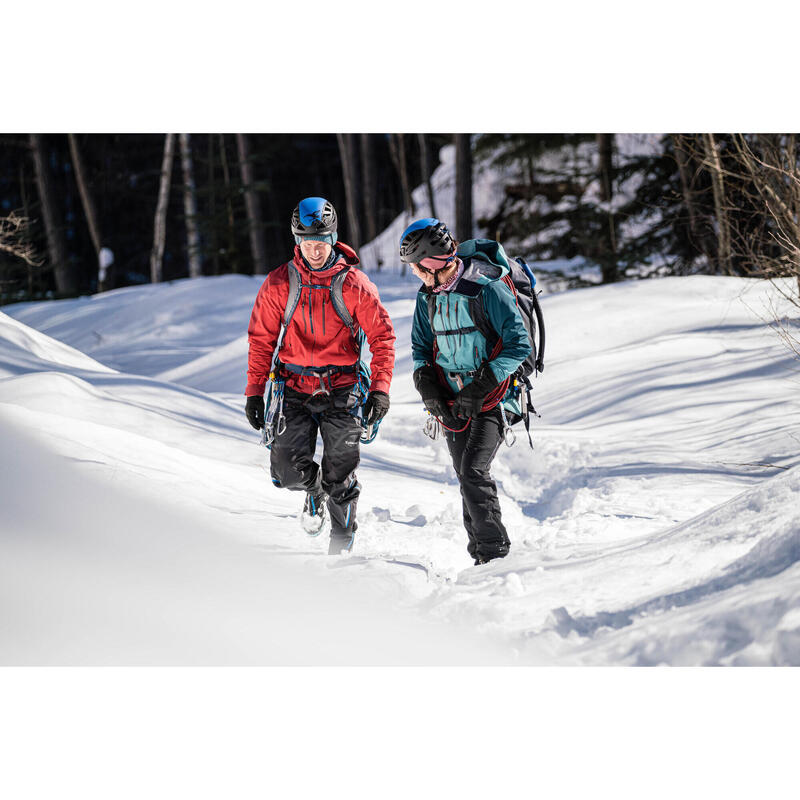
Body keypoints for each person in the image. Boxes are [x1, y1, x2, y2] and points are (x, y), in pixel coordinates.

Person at [245, 197, 395, 555]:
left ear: (334, 238)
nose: (315, 251)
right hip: (293, 387)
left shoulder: (354, 284)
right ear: (297, 241)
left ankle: (340, 547)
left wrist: (380, 390)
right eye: (308, 243)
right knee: (286, 473)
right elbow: (261, 339)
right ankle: (314, 492)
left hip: (343, 390)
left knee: (339, 474)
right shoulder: (280, 283)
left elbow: (382, 338)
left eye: (322, 243)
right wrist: (254, 391)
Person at [403, 218, 531, 565]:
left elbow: (519, 343)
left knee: (474, 470)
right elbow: (420, 346)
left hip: (493, 394)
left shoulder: (487, 289)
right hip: (450, 396)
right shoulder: (427, 296)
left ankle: (495, 555)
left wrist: (483, 384)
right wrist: (426, 385)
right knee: (463, 472)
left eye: (415, 267)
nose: (414, 274)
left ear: (429, 263)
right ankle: (479, 553)